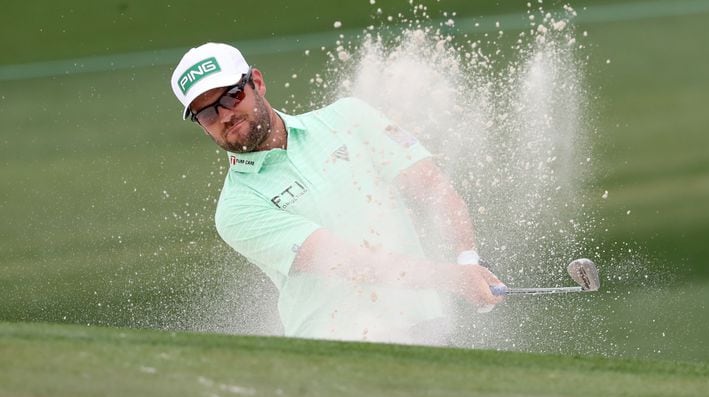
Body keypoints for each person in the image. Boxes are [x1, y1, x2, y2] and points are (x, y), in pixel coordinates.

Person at [170, 42, 505, 344]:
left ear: (256, 82)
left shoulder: (350, 116)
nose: (225, 115)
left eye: (231, 96)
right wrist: (453, 279)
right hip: (337, 352)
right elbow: (345, 261)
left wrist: (468, 260)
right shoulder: (236, 209)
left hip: (425, 330)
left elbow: (432, 186)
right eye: (207, 112)